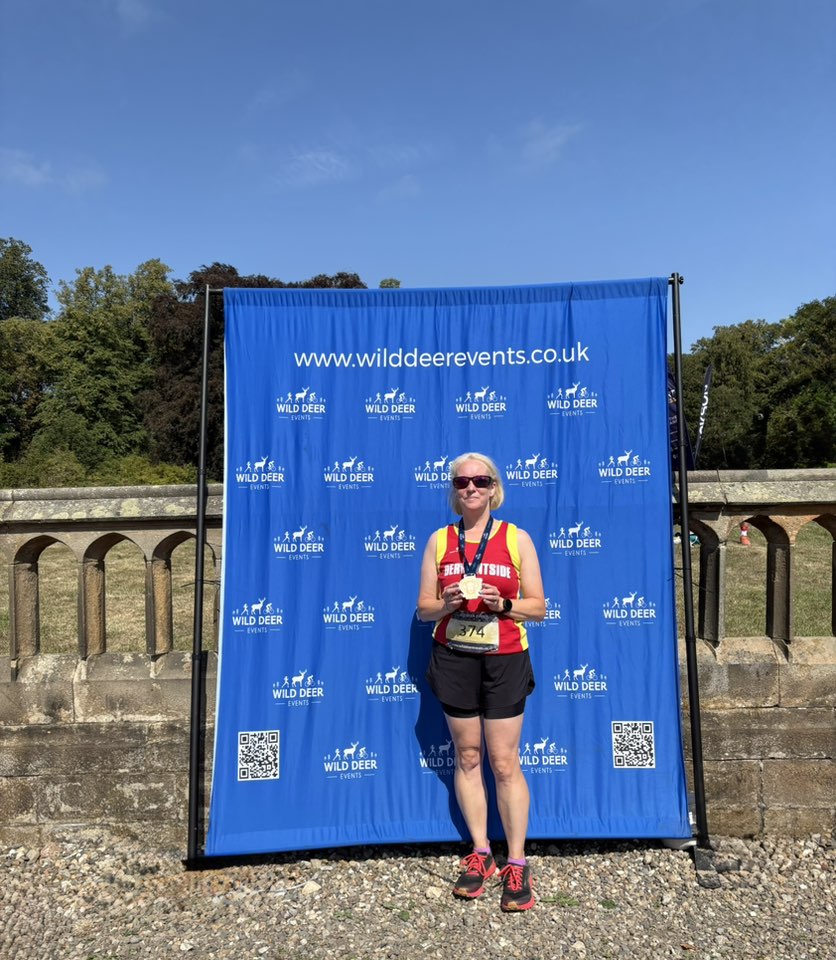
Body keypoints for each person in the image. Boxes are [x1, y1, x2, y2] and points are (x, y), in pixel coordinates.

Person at [417, 452, 546, 912]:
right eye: (462, 481)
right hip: (454, 657)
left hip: (505, 657)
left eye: (480, 480)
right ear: (454, 490)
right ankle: (480, 853)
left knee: (504, 760)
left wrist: (503, 603)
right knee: (468, 756)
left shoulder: (516, 538)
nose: (471, 488)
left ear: (494, 487)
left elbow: (538, 607)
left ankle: (517, 861)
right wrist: (447, 602)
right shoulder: (438, 540)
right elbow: (423, 609)